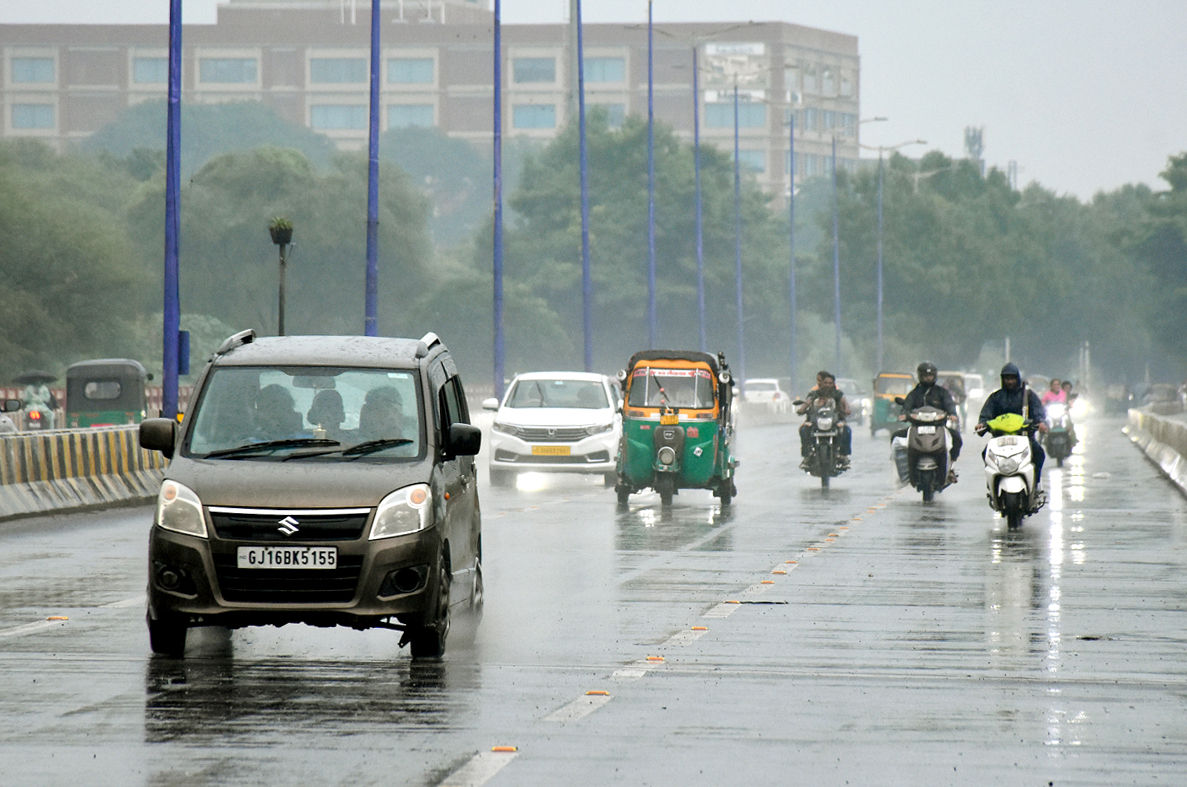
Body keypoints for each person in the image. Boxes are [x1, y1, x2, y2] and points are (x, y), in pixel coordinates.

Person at [976, 362, 1048, 492]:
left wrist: (1040, 422)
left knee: (1039, 453)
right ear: (1002, 379)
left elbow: (1038, 413)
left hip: (1024, 437)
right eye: (1007, 378)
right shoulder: (995, 397)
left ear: (1017, 378)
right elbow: (986, 414)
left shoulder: (1028, 396)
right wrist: (982, 423)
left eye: (1012, 378)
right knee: (985, 454)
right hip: (1000, 438)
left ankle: (1035, 484)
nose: (1009, 381)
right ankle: (992, 484)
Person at [896, 361, 963, 483]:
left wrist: (952, 414)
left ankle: (951, 467)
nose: (928, 378)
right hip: (916, 427)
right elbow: (907, 406)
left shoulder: (942, 392)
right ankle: (902, 470)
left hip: (939, 427)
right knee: (895, 437)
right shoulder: (914, 393)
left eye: (930, 375)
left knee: (957, 438)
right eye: (925, 376)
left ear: (935, 376)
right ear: (920, 376)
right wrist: (903, 414)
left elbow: (949, 404)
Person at [796, 370, 852, 469]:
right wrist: (802, 409)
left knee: (847, 430)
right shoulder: (815, 394)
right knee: (803, 429)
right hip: (816, 421)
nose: (827, 385)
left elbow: (845, 402)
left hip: (835, 421)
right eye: (825, 383)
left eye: (830, 383)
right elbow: (808, 402)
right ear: (822, 383)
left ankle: (843, 456)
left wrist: (847, 409)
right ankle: (807, 455)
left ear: (833, 384)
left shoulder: (838, 394)